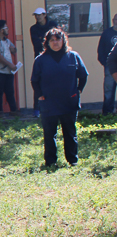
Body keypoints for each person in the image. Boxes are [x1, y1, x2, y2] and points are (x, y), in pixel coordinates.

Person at [31, 28, 89, 167]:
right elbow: (34, 80)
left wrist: (79, 90)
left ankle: (72, 160)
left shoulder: (73, 56)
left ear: (63, 41)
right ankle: (50, 161)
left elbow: (83, 75)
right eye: (52, 40)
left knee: (70, 132)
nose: (55, 42)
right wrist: (40, 96)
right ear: (47, 43)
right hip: (49, 103)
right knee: (50, 134)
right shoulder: (41, 60)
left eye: (58, 39)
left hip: (69, 102)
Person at [30, 7, 60, 117]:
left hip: (54, 58)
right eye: (36, 15)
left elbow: (57, 40)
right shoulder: (33, 28)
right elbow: (37, 44)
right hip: (40, 58)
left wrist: (44, 40)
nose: (38, 17)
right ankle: (36, 110)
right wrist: (48, 41)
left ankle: (55, 107)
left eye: (39, 15)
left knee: (55, 82)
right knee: (37, 83)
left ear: (44, 15)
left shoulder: (53, 24)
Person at [98, 13, 117, 116]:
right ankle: (107, 113)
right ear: (113, 20)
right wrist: (105, 64)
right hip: (110, 67)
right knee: (108, 90)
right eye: (116, 19)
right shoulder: (107, 33)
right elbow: (100, 50)